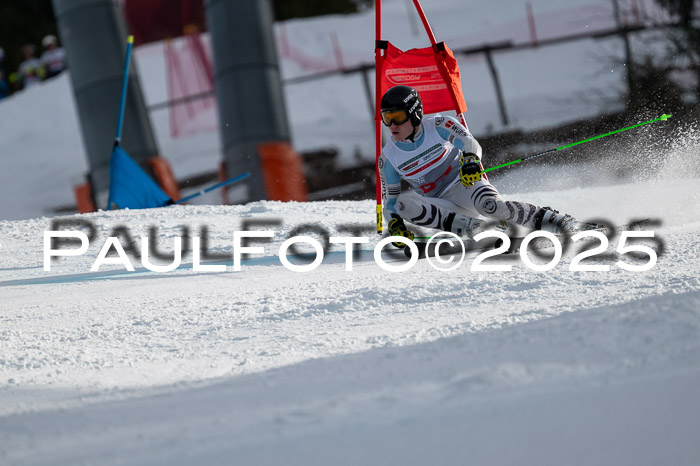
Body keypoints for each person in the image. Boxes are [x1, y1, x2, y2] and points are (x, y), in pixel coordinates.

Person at [378, 85, 588, 245]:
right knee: (403, 205)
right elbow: (389, 203)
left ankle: (558, 221)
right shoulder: (388, 158)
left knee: (491, 206)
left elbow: (470, 143)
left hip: (466, 185)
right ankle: (477, 229)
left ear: (415, 114)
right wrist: (394, 224)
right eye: (387, 118)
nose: (392, 125)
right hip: (443, 207)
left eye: (398, 117)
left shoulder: (439, 125)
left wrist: (470, 160)